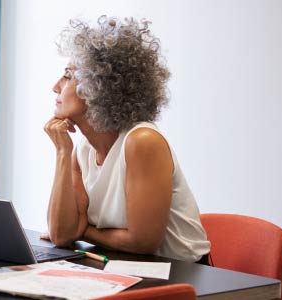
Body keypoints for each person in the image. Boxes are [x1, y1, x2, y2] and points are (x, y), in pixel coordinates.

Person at [43, 16, 210, 263]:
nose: (56, 86)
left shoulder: (142, 142)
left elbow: (143, 242)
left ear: (98, 86)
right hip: (125, 267)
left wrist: (84, 230)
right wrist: (61, 152)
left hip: (183, 275)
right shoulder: (83, 150)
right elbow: (61, 234)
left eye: (68, 75)